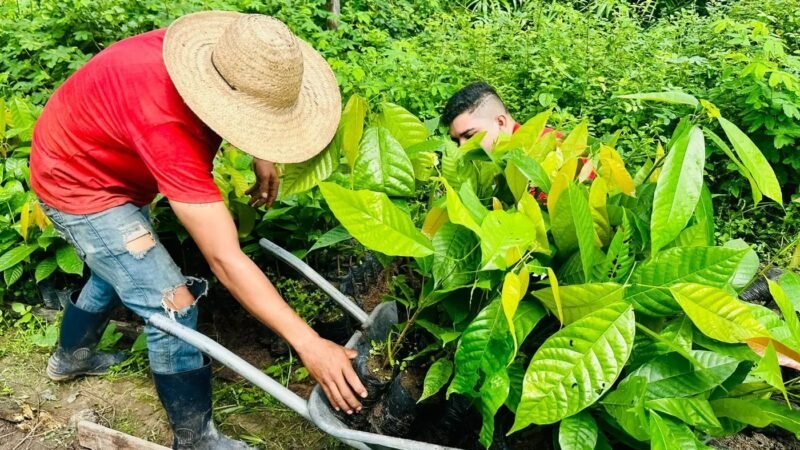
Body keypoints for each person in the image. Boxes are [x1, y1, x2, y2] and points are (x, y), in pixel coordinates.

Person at [30, 11, 366, 449]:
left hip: (104, 160)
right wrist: (309, 342)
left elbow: (233, 102)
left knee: (114, 270)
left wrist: (260, 147)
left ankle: (70, 360)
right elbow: (225, 260)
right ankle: (196, 440)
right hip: (77, 186)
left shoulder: (205, 57)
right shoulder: (167, 126)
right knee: (172, 303)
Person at [442, 81, 561, 150]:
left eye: (470, 136)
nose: (462, 149)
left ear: (500, 122)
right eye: (457, 142)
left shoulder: (549, 145)